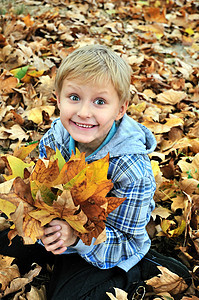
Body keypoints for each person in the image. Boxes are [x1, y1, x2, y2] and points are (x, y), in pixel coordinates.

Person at [0, 44, 191, 299]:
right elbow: (41, 190)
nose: (84, 112)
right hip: (59, 231)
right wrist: (42, 222)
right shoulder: (57, 136)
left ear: (120, 109)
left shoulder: (131, 168)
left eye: (99, 101)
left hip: (108, 246)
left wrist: (76, 238)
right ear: (58, 98)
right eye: (74, 97)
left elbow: (127, 240)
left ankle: (147, 267)